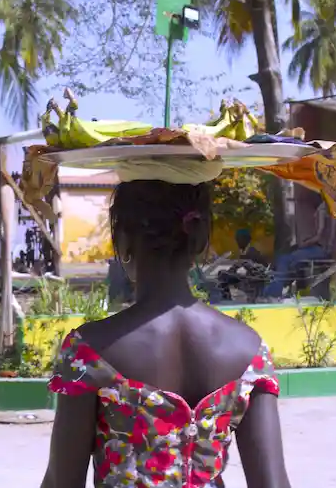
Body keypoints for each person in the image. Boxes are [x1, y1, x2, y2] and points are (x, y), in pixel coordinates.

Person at [42, 180, 290, 488]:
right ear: (199, 240)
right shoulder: (249, 351)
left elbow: (61, 482)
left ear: (122, 241)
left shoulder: (89, 352)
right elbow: (273, 483)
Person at [262, 198, 336, 299]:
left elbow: (319, 234)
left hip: (319, 250)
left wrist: (304, 244)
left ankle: (273, 292)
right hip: (323, 249)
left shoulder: (323, 208)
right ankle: (277, 289)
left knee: (284, 259)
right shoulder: (332, 207)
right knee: (290, 260)